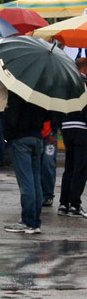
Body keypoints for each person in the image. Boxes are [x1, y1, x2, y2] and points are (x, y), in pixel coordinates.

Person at [2, 91, 46, 234]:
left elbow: (12, 117)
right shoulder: (42, 90)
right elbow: (48, 115)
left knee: (26, 182)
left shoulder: (17, 92)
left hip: (21, 138)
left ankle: (28, 220)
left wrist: (7, 135)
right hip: (37, 137)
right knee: (35, 182)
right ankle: (35, 221)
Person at [59, 58, 87, 218]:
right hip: (82, 128)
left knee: (69, 168)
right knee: (80, 169)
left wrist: (61, 125)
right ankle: (75, 205)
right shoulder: (84, 84)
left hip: (67, 127)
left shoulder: (67, 84)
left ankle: (64, 203)